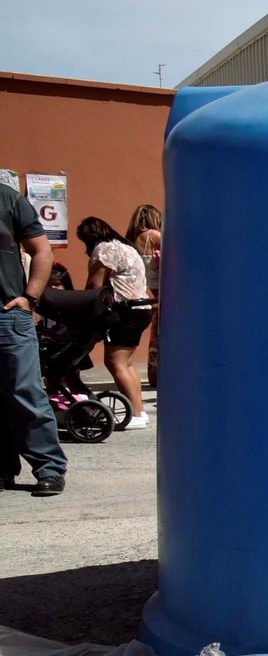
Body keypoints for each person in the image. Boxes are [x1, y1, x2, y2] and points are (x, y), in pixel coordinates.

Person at [0, 182, 68, 495]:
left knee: (25, 391)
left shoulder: (8, 199)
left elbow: (42, 250)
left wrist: (30, 297)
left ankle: (49, 469)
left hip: (8, 315)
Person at [79, 217, 153, 429]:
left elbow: (94, 285)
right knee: (127, 363)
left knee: (115, 363)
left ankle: (137, 415)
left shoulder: (104, 250)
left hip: (123, 310)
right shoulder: (127, 248)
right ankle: (140, 411)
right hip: (141, 309)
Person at [125, 205, 161, 387]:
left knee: (154, 335)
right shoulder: (154, 236)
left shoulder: (130, 240)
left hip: (142, 288)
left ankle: (154, 373)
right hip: (160, 289)